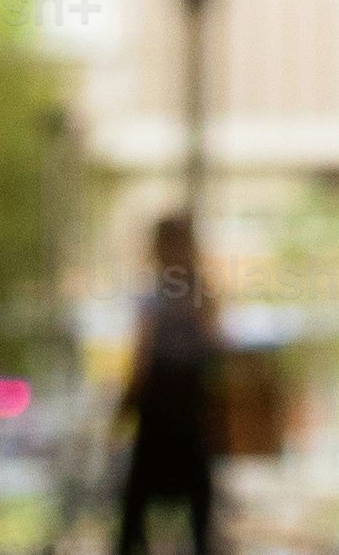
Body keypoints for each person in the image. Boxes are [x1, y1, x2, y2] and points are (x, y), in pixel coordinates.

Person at [110, 212, 223, 554]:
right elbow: (213, 340)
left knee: (141, 492)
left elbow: (143, 356)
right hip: (186, 400)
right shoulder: (199, 294)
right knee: (193, 494)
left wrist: (126, 403)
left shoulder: (163, 295)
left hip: (168, 400)